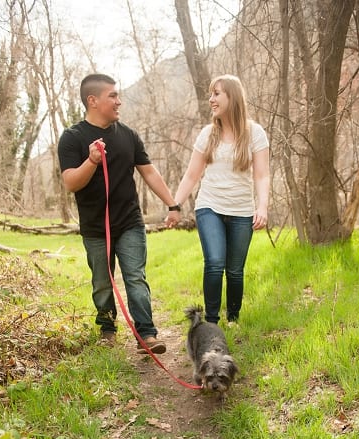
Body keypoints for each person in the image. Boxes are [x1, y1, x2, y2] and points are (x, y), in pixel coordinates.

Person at [57, 73, 181, 353]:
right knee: (102, 283)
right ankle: (107, 328)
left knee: (135, 276)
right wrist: (91, 161)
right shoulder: (72, 138)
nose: (119, 101)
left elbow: (149, 172)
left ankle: (146, 335)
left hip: (129, 223)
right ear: (93, 100)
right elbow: (70, 183)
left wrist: (172, 205)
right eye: (112, 96)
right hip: (94, 227)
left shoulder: (128, 136)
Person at [166, 74, 269, 325]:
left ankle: (232, 319)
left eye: (217, 93)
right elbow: (192, 175)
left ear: (232, 97)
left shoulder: (254, 133)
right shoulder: (207, 134)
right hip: (209, 205)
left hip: (242, 210)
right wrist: (174, 204)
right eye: (211, 94)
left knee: (235, 271)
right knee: (214, 262)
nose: (211, 99)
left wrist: (263, 207)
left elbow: (262, 175)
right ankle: (211, 323)